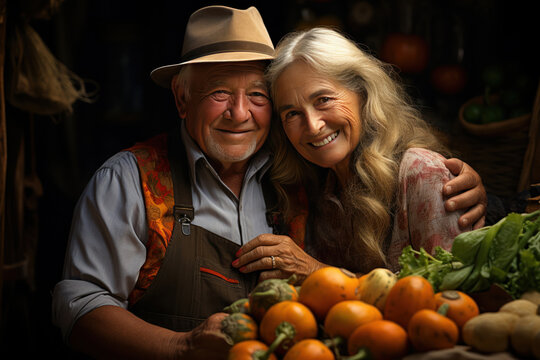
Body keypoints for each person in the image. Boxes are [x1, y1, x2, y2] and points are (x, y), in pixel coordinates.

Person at [52, 6, 486, 359]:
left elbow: (451, 310)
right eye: (219, 92)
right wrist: (182, 347)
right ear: (183, 98)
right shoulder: (131, 180)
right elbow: (79, 304)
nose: (240, 113)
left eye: (258, 96)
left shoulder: (297, 173)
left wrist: (487, 199)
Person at [232, 27, 487, 282]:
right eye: (292, 114)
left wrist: (317, 273)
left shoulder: (422, 174)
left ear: (363, 95)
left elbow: (450, 300)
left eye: (323, 100)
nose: (312, 126)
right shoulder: (313, 187)